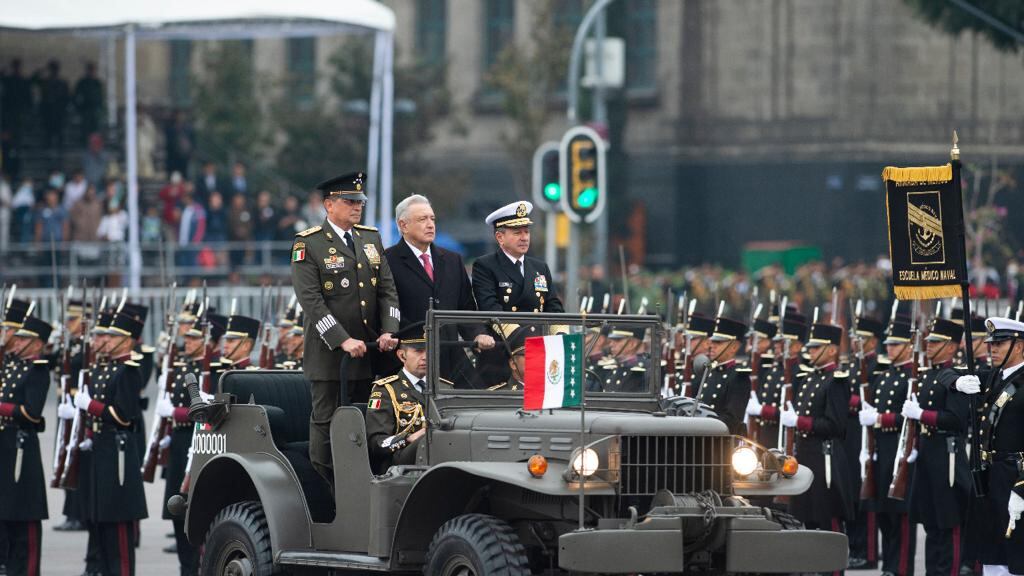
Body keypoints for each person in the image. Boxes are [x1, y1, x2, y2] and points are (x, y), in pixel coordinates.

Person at [290, 171, 400, 486]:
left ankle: (360, 483)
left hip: (368, 351)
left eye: (359, 202)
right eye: (349, 202)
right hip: (329, 356)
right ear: (329, 205)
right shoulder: (309, 243)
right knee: (327, 422)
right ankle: (325, 487)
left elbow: (387, 290)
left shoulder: (370, 238)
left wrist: (389, 329)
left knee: (365, 420)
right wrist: (341, 340)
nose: (356, 207)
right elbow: (311, 301)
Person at [384, 194, 493, 387]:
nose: (430, 224)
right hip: (410, 359)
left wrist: (477, 334)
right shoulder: (387, 261)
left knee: (478, 400)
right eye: (422, 219)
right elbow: (384, 307)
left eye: (432, 219)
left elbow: (465, 307)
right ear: (403, 225)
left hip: (451, 355)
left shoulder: (452, 260)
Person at [73, 306, 148, 576]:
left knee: (117, 530)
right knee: (102, 524)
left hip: (117, 452)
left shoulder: (128, 371)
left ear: (127, 340)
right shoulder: (107, 368)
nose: (105, 340)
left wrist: (89, 405)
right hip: (100, 451)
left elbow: (123, 416)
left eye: (113, 336)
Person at [954, 317, 1024, 576]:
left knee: (1015, 556)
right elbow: (945, 374)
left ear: (1019, 346)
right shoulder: (994, 377)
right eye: (991, 343)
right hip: (989, 477)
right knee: (990, 555)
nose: (991, 348)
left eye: (1000, 343)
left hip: (1014, 478)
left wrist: (1022, 489)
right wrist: (957, 382)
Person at [901, 317, 971, 576]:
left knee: (948, 523)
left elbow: (956, 420)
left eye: (936, 342)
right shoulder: (929, 375)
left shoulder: (958, 377)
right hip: (928, 454)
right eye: (929, 341)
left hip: (947, 456)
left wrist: (921, 415)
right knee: (931, 524)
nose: (929, 346)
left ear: (952, 347)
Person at [472, 201, 563, 386]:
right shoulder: (485, 265)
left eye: (526, 232)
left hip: (538, 355)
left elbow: (553, 305)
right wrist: (524, 340)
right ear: (500, 237)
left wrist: (561, 335)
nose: (524, 238)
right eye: (517, 232)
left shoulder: (539, 267)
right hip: (501, 356)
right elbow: (489, 306)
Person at [858, 314, 916, 576]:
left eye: (895, 344)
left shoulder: (911, 377)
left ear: (907, 345)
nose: (889, 348)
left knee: (899, 514)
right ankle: (888, 566)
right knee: (882, 510)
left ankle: (901, 567)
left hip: (899, 446)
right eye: (889, 344)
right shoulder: (884, 376)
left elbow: (909, 415)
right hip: (881, 447)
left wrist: (879, 418)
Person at [781, 322, 854, 533]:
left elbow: (835, 426)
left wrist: (799, 422)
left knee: (827, 518)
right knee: (808, 517)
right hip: (806, 454)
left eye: (816, 347)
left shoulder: (836, 382)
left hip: (825, 456)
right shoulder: (810, 378)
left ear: (831, 350)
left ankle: (833, 568)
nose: (810, 351)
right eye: (810, 347)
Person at [0, 315, 52, 576]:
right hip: (4, 448)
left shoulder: (37, 370)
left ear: (37, 343)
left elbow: (32, 412)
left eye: (22, 338)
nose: (16, 341)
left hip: (21, 447)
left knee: (25, 520)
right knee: (5, 514)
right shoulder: (10, 365)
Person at [154, 317, 206, 576]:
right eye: (187, 337)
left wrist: (174, 412)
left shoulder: (209, 369)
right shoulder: (183, 365)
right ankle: (186, 569)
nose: (188, 341)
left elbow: (207, 410)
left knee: (193, 511)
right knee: (176, 509)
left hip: (197, 442)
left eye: (194, 338)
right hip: (178, 442)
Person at [845, 314, 885, 570]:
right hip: (851, 435)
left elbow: (878, 401)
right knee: (852, 495)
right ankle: (856, 547)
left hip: (868, 435)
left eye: (860, 338)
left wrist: (853, 403)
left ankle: (869, 553)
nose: (854, 343)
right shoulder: (852, 365)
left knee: (866, 496)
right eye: (852, 338)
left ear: (872, 341)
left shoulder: (877, 366)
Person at [366, 332, 434, 470]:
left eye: (429, 351)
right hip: (402, 466)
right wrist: (409, 438)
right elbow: (377, 443)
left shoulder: (444, 387)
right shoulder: (385, 390)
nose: (425, 357)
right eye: (419, 351)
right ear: (402, 355)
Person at [697, 316, 750, 434]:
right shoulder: (709, 372)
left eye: (718, 342)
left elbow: (732, 419)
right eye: (712, 341)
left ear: (734, 347)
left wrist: (702, 427)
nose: (712, 345)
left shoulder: (738, 377)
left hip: (722, 441)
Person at [36, 60, 70, 149]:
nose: (54, 71)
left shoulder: (63, 83)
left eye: (55, 69)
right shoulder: (45, 82)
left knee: (59, 136)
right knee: (48, 135)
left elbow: (67, 98)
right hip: (48, 112)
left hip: (59, 113)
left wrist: (64, 109)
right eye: (52, 69)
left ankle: (60, 155)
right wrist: (43, 69)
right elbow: (33, 80)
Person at [73, 62, 104, 143]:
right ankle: (85, 144)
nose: (91, 72)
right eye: (90, 70)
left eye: (93, 70)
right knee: (85, 130)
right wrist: (79, 108)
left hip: (95, 110)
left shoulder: (97, 83)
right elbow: (76, 96)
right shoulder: (82, 83)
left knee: (95, 130)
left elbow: (100, 97)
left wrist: (100, 109)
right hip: (85, 110)